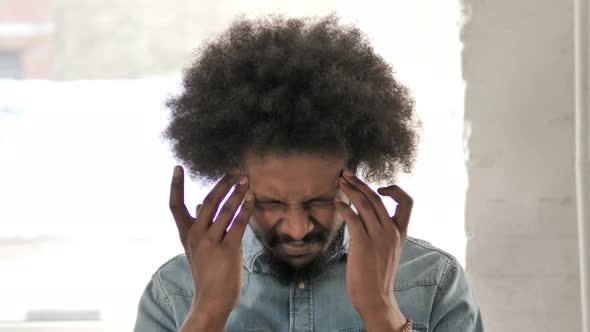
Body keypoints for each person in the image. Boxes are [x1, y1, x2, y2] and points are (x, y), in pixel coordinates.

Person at [134, 13, 484, 332]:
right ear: (234, 182)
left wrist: (381, 310)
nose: (298, 230)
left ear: (356, 175)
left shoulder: (434, 280)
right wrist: (208, 310)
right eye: (270, 203)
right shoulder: (174, 291)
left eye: (319, 200)